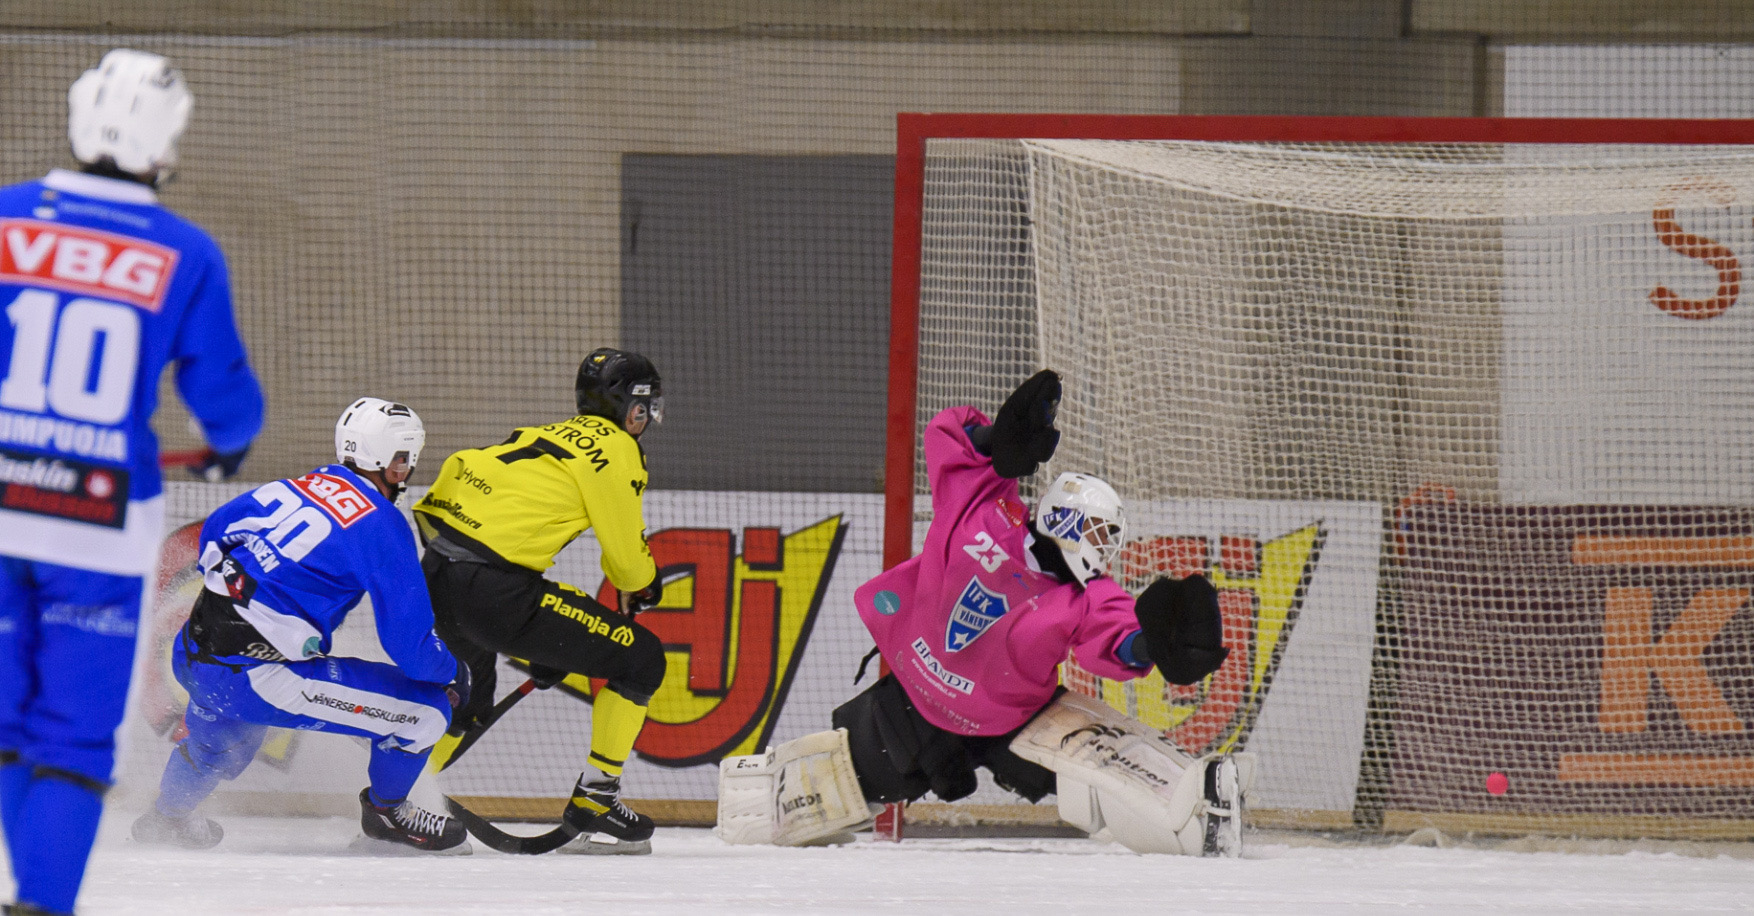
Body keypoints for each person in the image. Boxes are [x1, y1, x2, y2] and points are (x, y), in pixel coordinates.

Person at [716, 370, 1252, 856]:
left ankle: (1201, 811)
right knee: (825, 786)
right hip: (917, 703)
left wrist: (1154, 645)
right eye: (1097, 533)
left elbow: (1117, 638)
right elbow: (948, 438)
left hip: (1011, 723)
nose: (1104, 548)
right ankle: (749, 808)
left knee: (1094, 774)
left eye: (1110, 539)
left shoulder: (1086, 596)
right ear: (1063, 519)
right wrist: (995, 442)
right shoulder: (984, 508)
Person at [0, 49, 266, 916]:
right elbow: (227, 401)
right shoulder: (184, 252)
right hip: (98, 524)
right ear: (165, 143)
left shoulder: (4, 217)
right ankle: (43, 903)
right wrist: (227, 448)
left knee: (4, 721)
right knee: (69, 736)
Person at [130, 398, 471, 855]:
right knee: (427, 711)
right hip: (259, 677)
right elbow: (408, 645)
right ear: (391, 462)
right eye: (404, 459)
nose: (405, 470)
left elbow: (215, 531)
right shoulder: (382, 523)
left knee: (219, 743)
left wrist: (242, 587)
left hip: (193, 653)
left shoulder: (302, 484)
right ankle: (388, 815)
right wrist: (450, 672)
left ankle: (167, 820)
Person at [412, 347, 667, 854]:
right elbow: (625, 563)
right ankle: (596, 800)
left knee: (465, 705)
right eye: (647, 407)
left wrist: (549, 640)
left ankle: (400, 802)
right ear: (632, 407)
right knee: (641, 660)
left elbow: (456, 480)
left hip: (437, 573)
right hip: (495, 591)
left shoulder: (541, 433)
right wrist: (646, 582)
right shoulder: (617, 448)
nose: (648, 418)